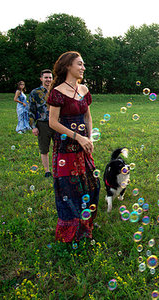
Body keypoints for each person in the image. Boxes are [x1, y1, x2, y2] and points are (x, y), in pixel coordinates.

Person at [46, 51, 100, 243]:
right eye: (80, 64)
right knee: (70, 188)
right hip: (66, 147)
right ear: (68, 66)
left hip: (83, 145)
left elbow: (87, 116)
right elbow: (53, 122)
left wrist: (89, 138)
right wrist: (78, 137)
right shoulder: (58, 92)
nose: (83, 68)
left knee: (91, 185)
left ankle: (86, 222)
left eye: (83, 64)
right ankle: (72, 231)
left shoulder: (84, 89)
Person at [28, 69, 55, 177]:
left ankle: (58, 169)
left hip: (57, 123)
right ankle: (47, 171)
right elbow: (30, 111)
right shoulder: (35, 93)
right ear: (41, 79)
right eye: (46, 77)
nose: (48, 80)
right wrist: (33, 126)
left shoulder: (56, 91)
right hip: (43, 124)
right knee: (44, 148)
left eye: (50, 77)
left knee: (59, 148)